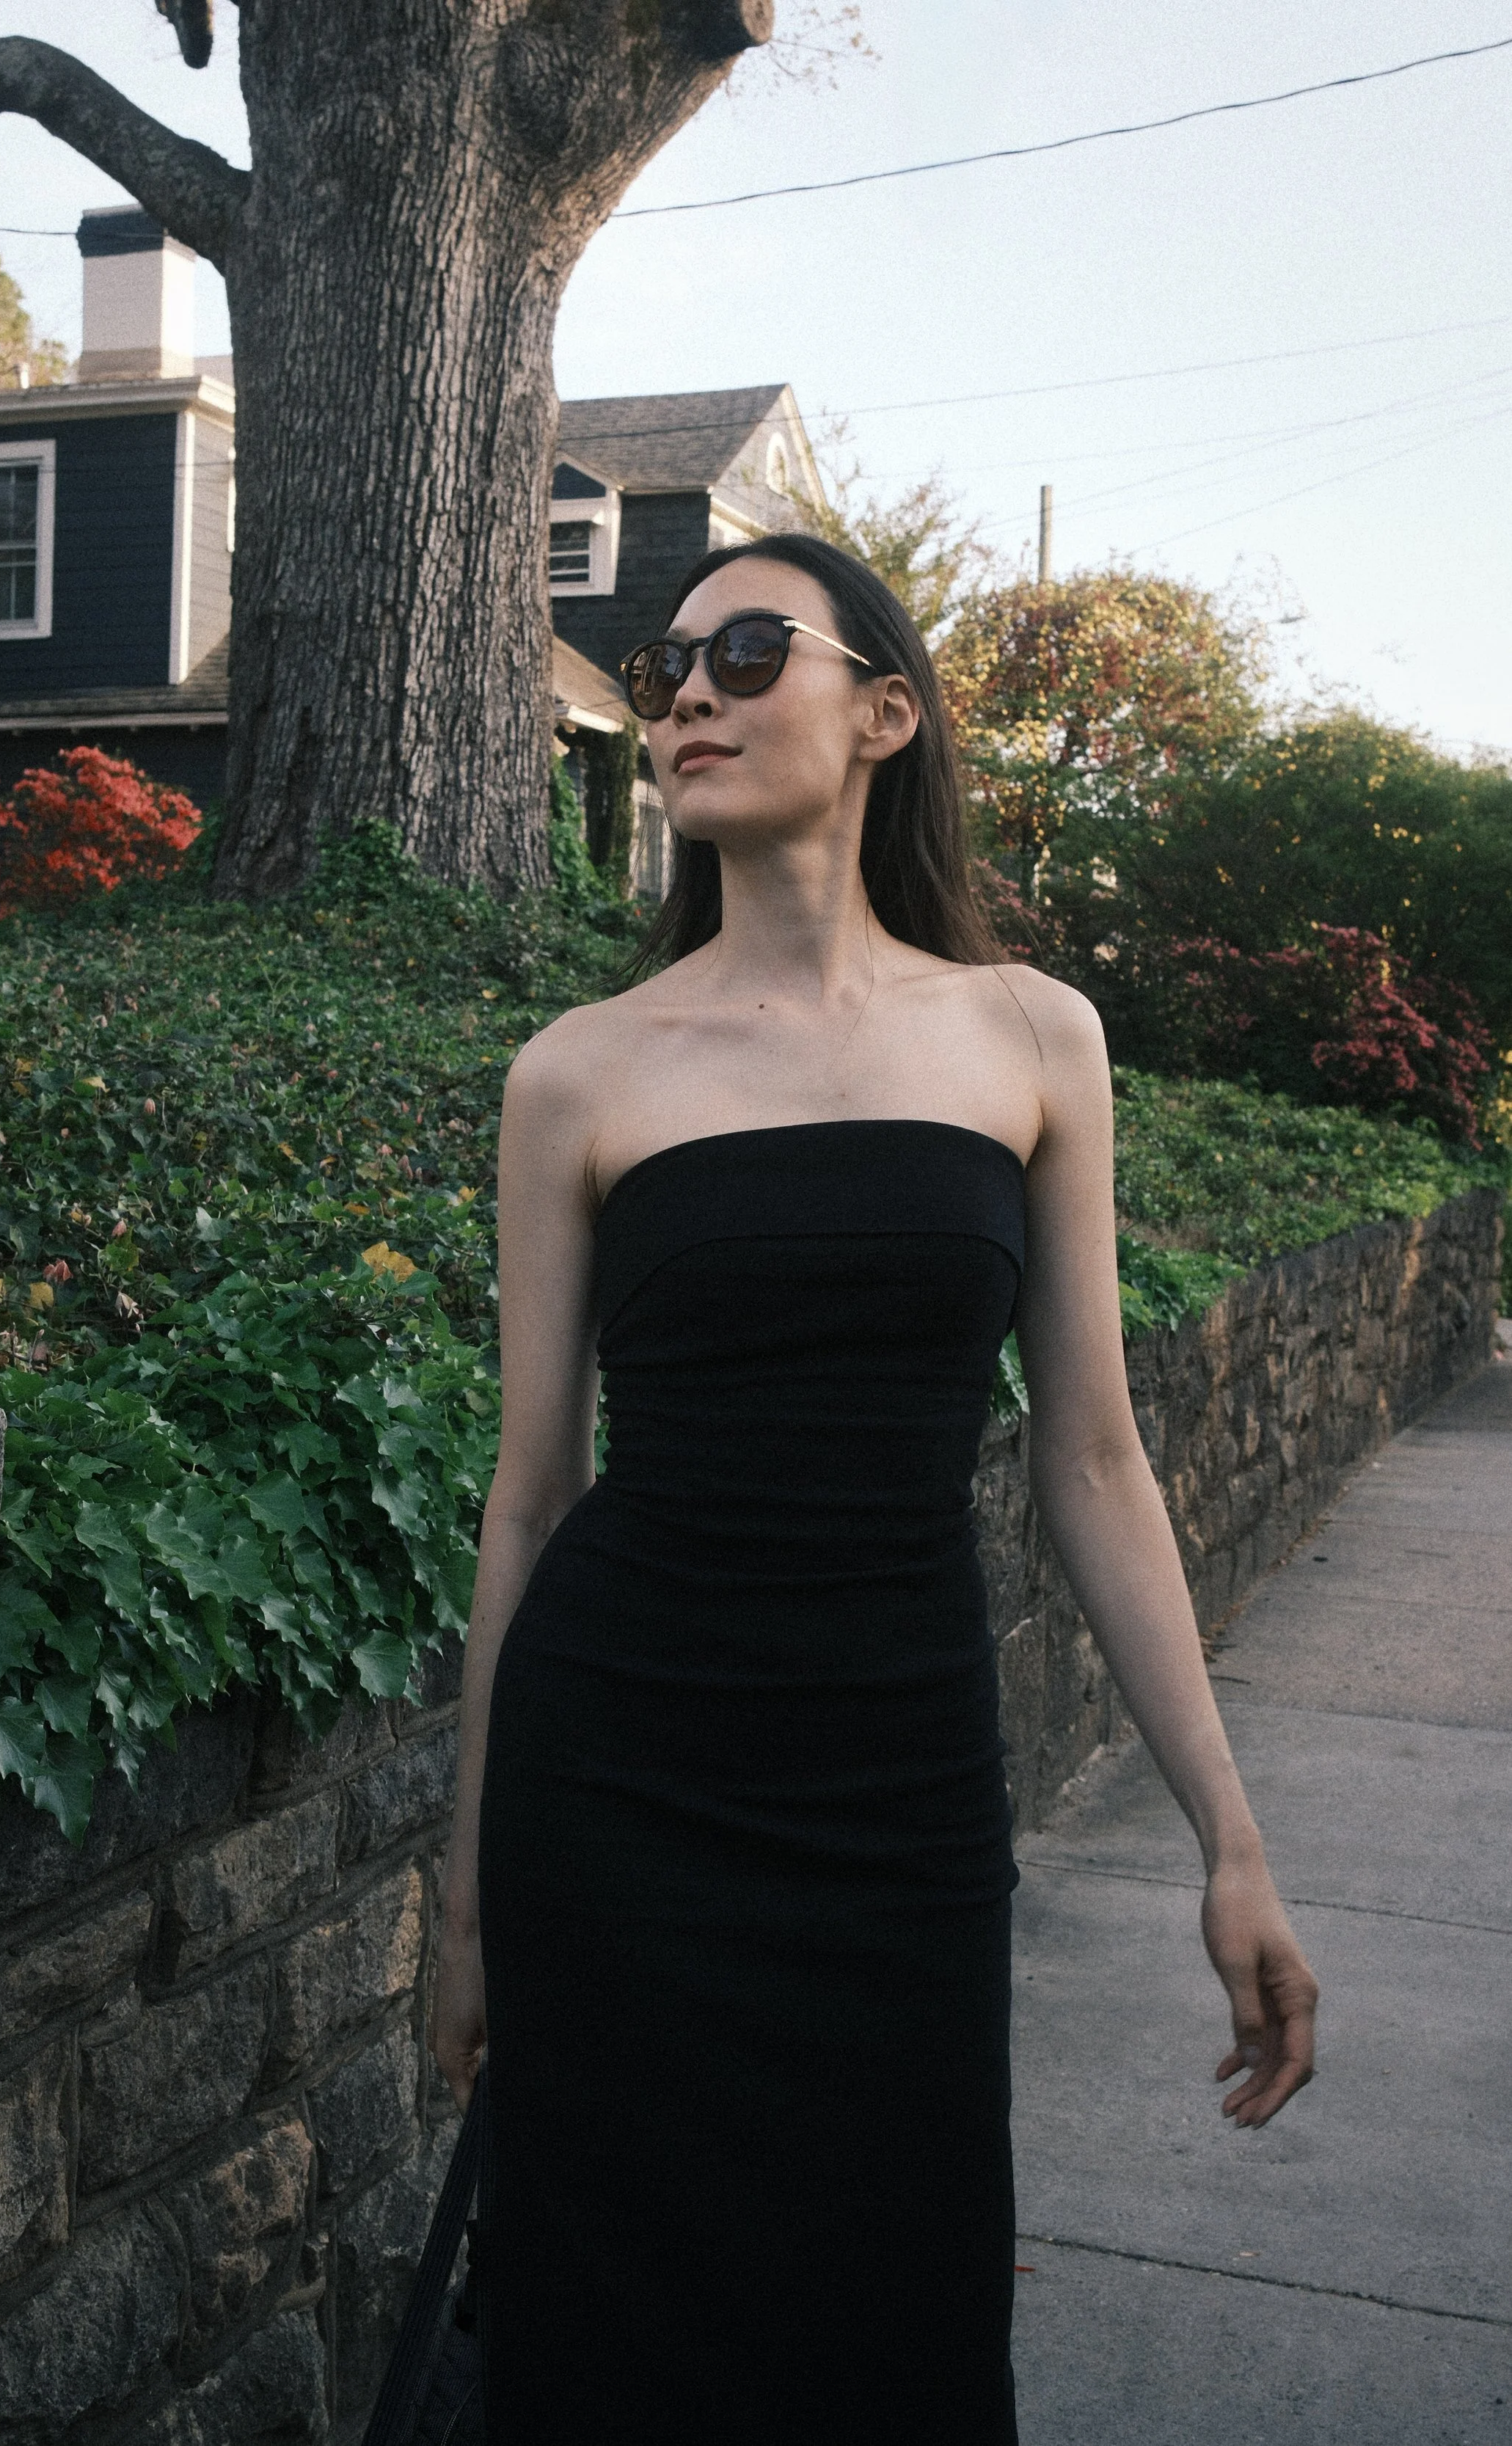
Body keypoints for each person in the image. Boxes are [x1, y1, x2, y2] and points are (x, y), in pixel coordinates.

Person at [430, 533, 1318, 2442]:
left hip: (899, 1789)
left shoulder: (1033, 1036)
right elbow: (531, 1499)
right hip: (620, 1791)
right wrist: (469, 1891)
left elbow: (1094, 1456)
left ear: (885, 713)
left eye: (750, 651)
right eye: (664, 665)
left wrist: (1228, 1838)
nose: (689, 691)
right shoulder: (575, 1073)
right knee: (613, 2342)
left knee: (897, 2323)